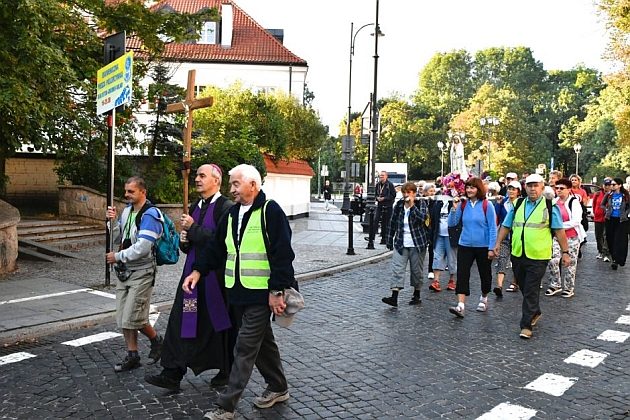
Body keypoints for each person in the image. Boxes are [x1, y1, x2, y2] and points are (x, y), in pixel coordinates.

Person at [183, 164, 295, 419]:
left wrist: (276, 290)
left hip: (261, 294)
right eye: (231, 184)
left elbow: (283, 255)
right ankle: (278, 387)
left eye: (235, 184)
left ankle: (226, 406)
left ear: (252, 185)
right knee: (263, 344)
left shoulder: (270, 211)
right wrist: (198, 271)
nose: (230, 189)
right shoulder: (232, 214)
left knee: (243, 347)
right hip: (237, 293)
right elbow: (215, 249)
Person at [145, 164, 234, 391]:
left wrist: (193, 229)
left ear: (216, 181)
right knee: (183, 320)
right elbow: (189, 247)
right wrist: (185, 240)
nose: (197, 179)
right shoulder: (196, 206)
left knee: (219, 325)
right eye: (196, 175)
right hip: (191, 281)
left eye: (202, 176)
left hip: (215, 282)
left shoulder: (226, 207)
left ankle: (227, 370)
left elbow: (222, 242)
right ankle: (172, 373)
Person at [494, 173, 571, 339]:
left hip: (538, 255)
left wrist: (565, 252)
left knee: (530, 288)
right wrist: (497, 243)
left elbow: (559, 231)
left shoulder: (550, 207)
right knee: (523, 285)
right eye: (529, 185)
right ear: (525, 188)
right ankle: (535, 311)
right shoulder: (518, 204)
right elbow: (506, 225)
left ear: (542, 187)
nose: (533, 189)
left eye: (536, 185)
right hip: (518, 253)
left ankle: (526, 325)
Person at [105, 176, 164, 372]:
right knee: (123, 317)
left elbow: (143, 247)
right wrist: (110, 222)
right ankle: (133, 355)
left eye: (131, 191)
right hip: (124, 272)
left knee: (133, 316)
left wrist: (118, 256)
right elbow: (118, 237)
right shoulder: (127, 212)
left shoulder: (151, 214)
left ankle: (157, 340)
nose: (126, 195)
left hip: (142, 271)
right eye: (126, 191)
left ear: (142, 192)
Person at [447, 177, 497, 317]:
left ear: (478, 189)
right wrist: (454, 209)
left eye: (472, 187)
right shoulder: (464, 205)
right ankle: (461, 305)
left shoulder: (487, 205)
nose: (469, 190)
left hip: (483, 246)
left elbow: (493, 227)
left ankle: (484, 297)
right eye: (467, 187)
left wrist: (492, 247)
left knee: (485, 274)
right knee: (462, 274)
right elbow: (452, 223)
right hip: (465, 245)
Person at [381, 182, 429, 307]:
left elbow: (423, 218)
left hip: (417, 243)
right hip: (401, 242)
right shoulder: (399, 205)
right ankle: (394, 297)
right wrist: (389, 238)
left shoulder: (421, 203)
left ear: (414, 193)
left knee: (416, 271)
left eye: (409, 192)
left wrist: (412, 206)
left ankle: (416, 294)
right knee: (397, 269)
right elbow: (393, 222)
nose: (406, 195)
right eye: (404, 192)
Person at [544, 178, 586, 298]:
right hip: (557, 237)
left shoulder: (574, 202)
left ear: (568, 189)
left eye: (561, 188)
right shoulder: (553, 202)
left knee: (570, 263)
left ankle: (569, 287)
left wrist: (559, 227)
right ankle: (555, 284)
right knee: (553, 259)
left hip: (572, 236)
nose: (558, 190)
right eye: (556, 188)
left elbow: (576, 221)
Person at [493, 180, 521, 296]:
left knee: (516, 260)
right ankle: (499, 285)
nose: (511, 191)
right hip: (504, 235)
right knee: (502, 258)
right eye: (509, 189)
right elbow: (497, 216)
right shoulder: (503, 202)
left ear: (518, 191)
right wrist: (498, 204)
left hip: (517, 236)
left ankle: (515, 283)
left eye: (513, 189)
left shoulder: (522, 203)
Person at [428, 194, 458, 293]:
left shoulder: (455, 202)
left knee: (451, 258)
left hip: (451, 236)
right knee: (437, 257)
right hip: (439, 235)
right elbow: (433, 220)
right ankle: (436, 281)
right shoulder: (437, 204)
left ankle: (452, 280)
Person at [601, 177, 630, 270]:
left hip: (621, 220)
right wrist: (606, 210)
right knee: (610, 239)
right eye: (610, 185)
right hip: (610, 219)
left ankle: (617, 260)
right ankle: (614, 257)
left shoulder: (625, 195)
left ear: (619, 185)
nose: (611, 186)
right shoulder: (609, 195)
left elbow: (629, 206)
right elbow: (602, 204)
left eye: (613, 185)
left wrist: (625, 213)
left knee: (619, 240)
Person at [373, 171, 396, 244]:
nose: (381, 177)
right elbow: (375, 194)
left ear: (386, 176)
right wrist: (377, 198)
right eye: (380, 176)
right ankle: (372, 237)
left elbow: (393, 195)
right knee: (375, 219)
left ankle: (385, 238)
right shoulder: (378, 185)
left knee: (387, 222)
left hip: (388, 206)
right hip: (380, 205)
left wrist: (384, 198)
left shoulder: (390, 185)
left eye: (382, 176)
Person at [592, 178, 612, 261]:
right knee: (598, 236)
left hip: (608, 218)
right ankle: (600, 251)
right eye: (605, 185)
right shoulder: (597, 194)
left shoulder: (613, 195)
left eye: (609, 185)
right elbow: (594, 204)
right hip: (598, 218)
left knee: (606, 235)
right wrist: (595, 213)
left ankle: (606, 253)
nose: (607, 187)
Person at [423, 183, 437, 280]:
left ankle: (431, 270)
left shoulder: (436, 202)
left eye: (433, 191)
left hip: (432, 228)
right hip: (423, 228)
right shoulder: (421, 201)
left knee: (432, 250)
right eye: (430, 191)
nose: (432, 193)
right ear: (425, 192)